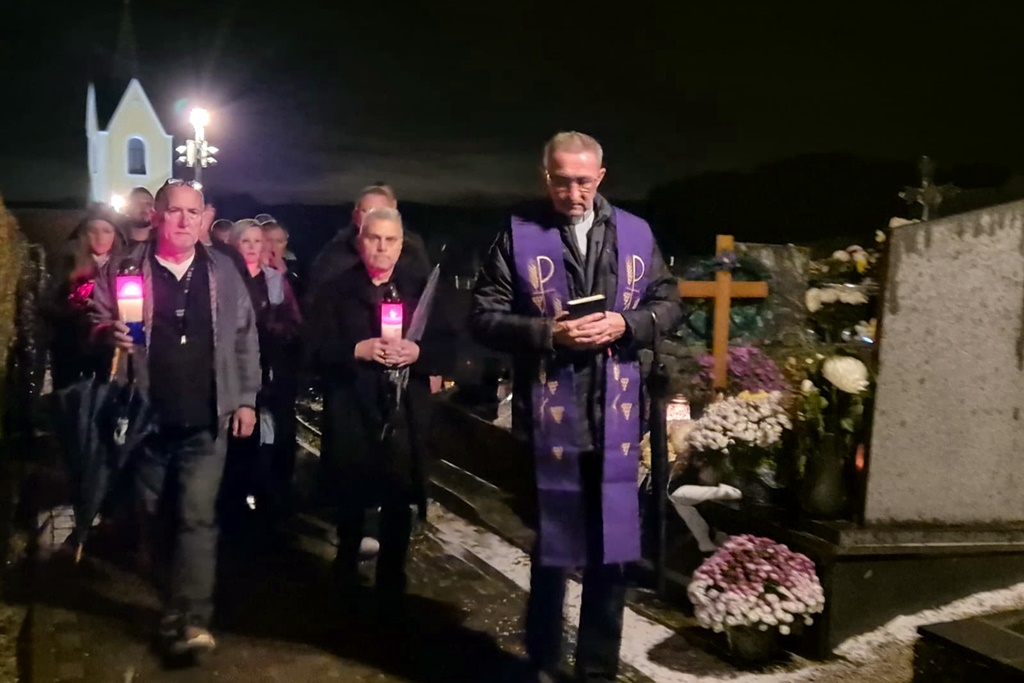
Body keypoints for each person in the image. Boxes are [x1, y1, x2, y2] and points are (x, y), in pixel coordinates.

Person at [469, 131, 682, 682]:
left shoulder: (635, 233)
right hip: (551, 419)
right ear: (546, 176)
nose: (573, 192)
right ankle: (542, 661)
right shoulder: (517, 234)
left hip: (617, 416)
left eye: (584, 181)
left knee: (614, 552)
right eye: (561, 181)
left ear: (601, 177)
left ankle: (597, 670)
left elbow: (668, 302)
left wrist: (626, 323)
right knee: (553, 551)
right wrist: (549, 333)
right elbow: (483, 316)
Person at [91, 179, 260, 660]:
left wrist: (246, 399)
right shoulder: (127, 268)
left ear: (203, 217)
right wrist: (106, 333)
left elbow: (244, 336)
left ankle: (191, 620)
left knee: (197, 519)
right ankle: (170, 603)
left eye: (193, 212)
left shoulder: (222, 270)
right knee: (154, 519)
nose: (184, 221)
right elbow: (96, 319)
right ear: (157, 216)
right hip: (146, 418)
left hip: (206, 418)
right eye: (174, 211)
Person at [307, 207, 441, 614]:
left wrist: (418, 353)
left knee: (398, 498)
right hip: (354, 405)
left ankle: (392, 582)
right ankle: (345, 571)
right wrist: (356, 350)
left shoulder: (420, 289)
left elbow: (448, 346)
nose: (382, 247)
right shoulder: (335, 290)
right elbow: (311, 350)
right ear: (360, 241)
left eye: (390, 240)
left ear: (401, 244)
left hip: (403, 412)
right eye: (374, 238)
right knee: (352, 495)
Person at [307, 184, 430, 298]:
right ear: (355, 216)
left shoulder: (412, 251)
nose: (382, 247)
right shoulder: (335, 255)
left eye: (381, 212)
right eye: (367, 211)